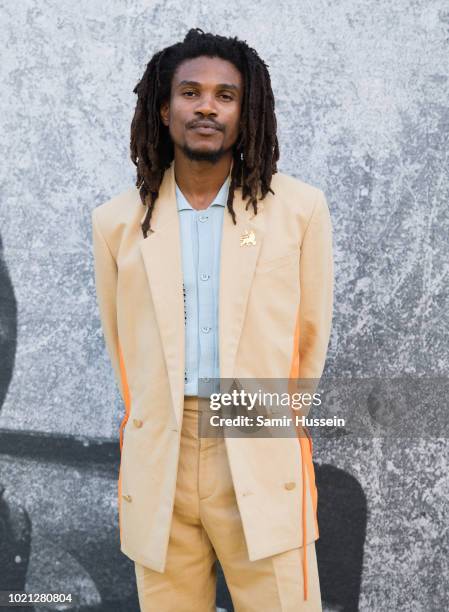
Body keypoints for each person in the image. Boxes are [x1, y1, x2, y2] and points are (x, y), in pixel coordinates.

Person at [92, 28, 333, 611]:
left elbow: (309, 340)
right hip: (162, 458)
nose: (206, 106)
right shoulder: (117, 223)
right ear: (163, 107)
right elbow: (122, 348)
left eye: (225, 96)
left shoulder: (299, 211)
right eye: (191, 92)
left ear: (246, 112)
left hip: (256, 437)